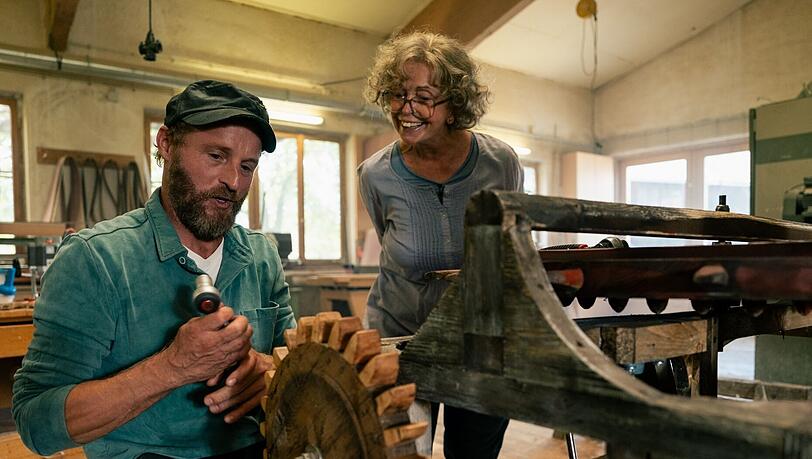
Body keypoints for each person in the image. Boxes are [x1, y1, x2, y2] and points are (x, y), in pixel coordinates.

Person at [13, 80, 295, 459]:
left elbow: (295, 364)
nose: (232, 181)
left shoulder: (261, 256)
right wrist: (172, 367)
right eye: (216, 156)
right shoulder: (96, 260)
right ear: (166, 144)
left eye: (247, 166)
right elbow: (36, 423)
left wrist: (265, 371)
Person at [358, 32, 523, 458]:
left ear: (454, 104)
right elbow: (392, 244)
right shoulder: (375, 175)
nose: (406, 109)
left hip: (478, 340)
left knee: (474, 452)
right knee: (402, 452)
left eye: (423, 96)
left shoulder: (500, 163)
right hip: (400, 338)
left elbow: (510, 248)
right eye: (397, 94)